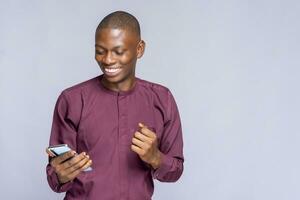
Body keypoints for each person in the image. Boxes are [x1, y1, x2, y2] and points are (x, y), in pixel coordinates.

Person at [46, 10, 184, 200]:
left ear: (139, 49)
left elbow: (175, 171)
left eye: (118, 51)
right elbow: (55, 176)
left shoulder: (162, 99)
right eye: (100, 51)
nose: (108, 60)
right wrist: (61, 175)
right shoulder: (72, 100)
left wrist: (155, 157)